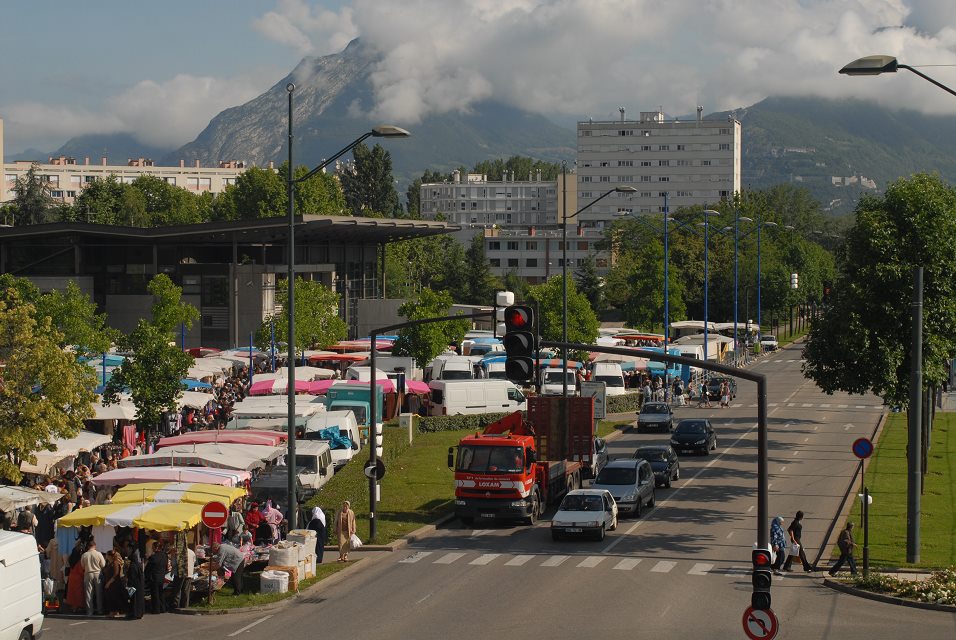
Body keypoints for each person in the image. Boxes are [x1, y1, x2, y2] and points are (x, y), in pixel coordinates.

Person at [79, 540, 105, 616]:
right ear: (94, 545)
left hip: (88, 574)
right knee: (98, 593)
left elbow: (82, 566)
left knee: (88, 594)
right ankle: (99, 610)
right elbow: (103, 564)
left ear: (88, 546)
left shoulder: (84, 555)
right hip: (97, 573)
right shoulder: (98, 554)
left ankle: (89, 611)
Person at [101, 550, 128, 618]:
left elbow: (116, 574)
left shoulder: (115, 563)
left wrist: (109, 583)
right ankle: (114, 611)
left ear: (110, 556)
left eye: (107, 555)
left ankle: (112, 612)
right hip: (111, 583)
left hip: (114, 583)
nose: (106, 556)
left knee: (113, 597)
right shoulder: (109, 563)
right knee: (112, 597)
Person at [144, 540, 169, 613]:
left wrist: (147, 576)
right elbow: (165, 566)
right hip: (161, 576)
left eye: (152, 547)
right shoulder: (164, 555)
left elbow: (148, 568)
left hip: (154, 577)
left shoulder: (153, 557)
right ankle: (163, 608)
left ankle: (156, 609)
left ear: (156, 547)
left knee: (155, 594)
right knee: (161, 593)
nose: (152, 549)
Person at [170, 543, 196, 610]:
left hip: (180, 573)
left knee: (177, 590)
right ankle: (184, 606)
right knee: (186, 591)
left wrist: (172, 556)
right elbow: (194, 562)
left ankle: (175, 606)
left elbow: (173, 564)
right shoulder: (192, 552)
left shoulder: (178, 553)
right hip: (189, 573)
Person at [126, 549, 145, 619]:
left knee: (133, 600)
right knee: (139, 600)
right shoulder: (138, 565)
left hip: (133, 586)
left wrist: (128, 586)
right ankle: (139, 614)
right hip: (139, 586)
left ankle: (134, 614)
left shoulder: (132, 566)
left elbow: (132, 577)